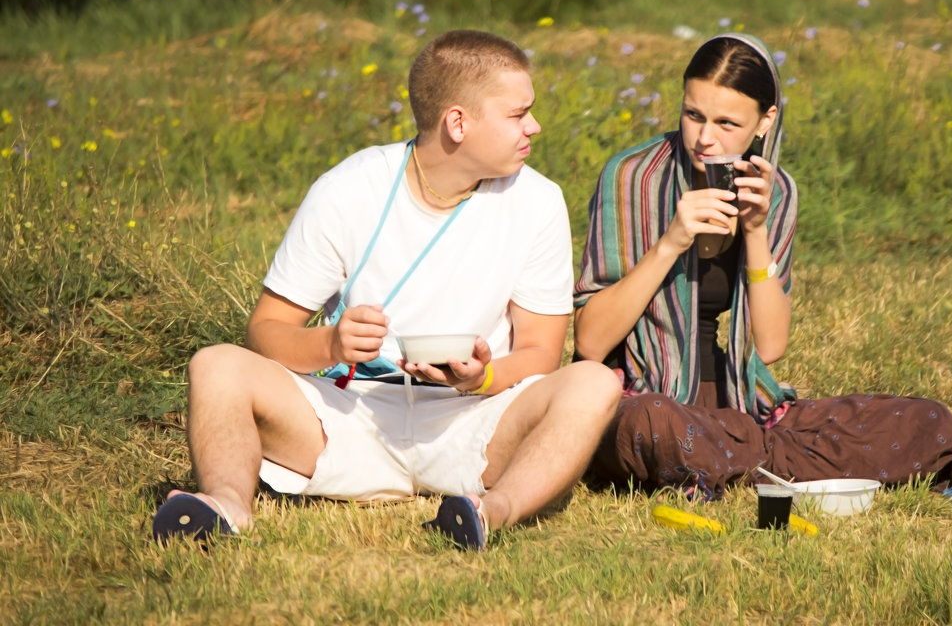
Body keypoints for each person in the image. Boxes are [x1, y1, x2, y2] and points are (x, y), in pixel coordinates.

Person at [153, 29, 621, 550]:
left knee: (594, 382)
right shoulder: (350, 187)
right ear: (458, 122)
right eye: (517, 114)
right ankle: (226, 506)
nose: (534, 126)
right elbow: (265, 331)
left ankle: (490, 512)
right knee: (215, 363)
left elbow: (541, 351)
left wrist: (482, 377)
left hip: (472, 423)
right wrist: (330, 344)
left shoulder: (538, 200)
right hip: (351, 414)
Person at [573, 33, 952, 501]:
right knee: (649, 426)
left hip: (738, 403)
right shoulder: (633, 177)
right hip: (643, 396)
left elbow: (770, 344)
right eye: (693, 115)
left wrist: (757, 231)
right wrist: (670, 242)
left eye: (726, 122)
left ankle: (731, 455)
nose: (705, 138)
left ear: (765, 121)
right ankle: (759, 457)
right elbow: (590, 341)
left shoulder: (775, 191)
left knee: (924, 420)